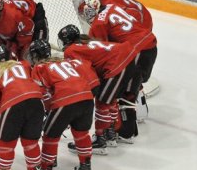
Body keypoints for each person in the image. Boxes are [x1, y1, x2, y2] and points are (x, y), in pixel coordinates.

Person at [78, 0, 157, 141]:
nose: (85, 16)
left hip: (136, 50)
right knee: (131, 85)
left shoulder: (98, 25)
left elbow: (104, 52)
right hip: (150, 46)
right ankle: (136, 117)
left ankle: (126, 131)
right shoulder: (111, 7)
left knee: (120, 89)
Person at [58, 24, 137, 153]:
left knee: (102, 102)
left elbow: (85, 70)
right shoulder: (86, 42)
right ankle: (110, 134)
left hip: (118, 64)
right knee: (109, 99)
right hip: (128, 58)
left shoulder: (71, 50)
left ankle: (100, 139)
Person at [29, 39, 96, 170]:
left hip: (65, 101)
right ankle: (86, 166)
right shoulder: (66, 62)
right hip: (87, 98)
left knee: (50, 134)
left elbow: (43, 94)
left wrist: (49, 110)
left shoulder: (39, 68)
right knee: (81, 133)